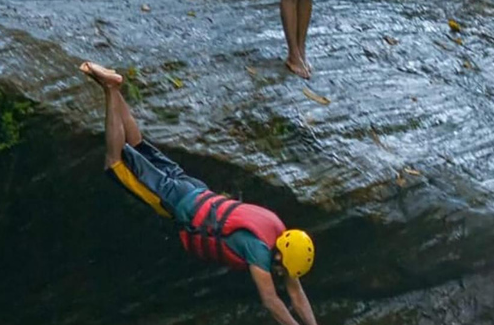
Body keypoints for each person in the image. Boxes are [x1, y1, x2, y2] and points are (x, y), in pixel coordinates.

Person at [80, 61, 320, 325]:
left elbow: (295, 292)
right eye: (282, 268)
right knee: (116, 163)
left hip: (195, 188)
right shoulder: (259, 251)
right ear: (280, 255)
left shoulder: (278, 231)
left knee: (140, 146)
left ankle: (111, 86)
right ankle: (111, 90)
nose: (281, 273)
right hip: (175, 200)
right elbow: (272, 301)